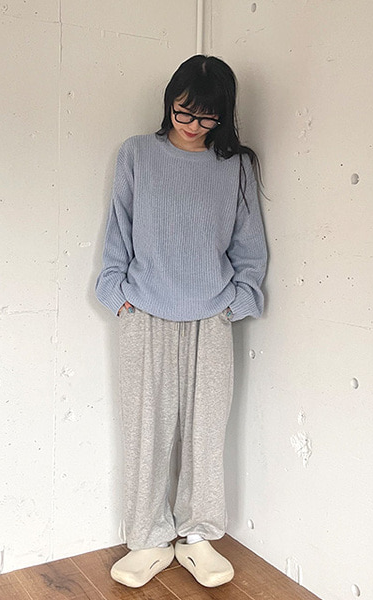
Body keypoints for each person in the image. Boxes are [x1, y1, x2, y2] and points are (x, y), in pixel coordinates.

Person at [95, 54, 267, 588]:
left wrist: (239, 300)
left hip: (211, 314)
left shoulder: (234, 166)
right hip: (144, 311)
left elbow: (249, 242)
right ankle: (147, 539)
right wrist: (116, 293)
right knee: (145, 431)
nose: (192, 125)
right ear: (169, 102)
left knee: (206, 432)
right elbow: (119, 229)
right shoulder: (137, 154)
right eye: (183, 112)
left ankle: (197, 537)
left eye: (206, 116)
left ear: (224, 114)